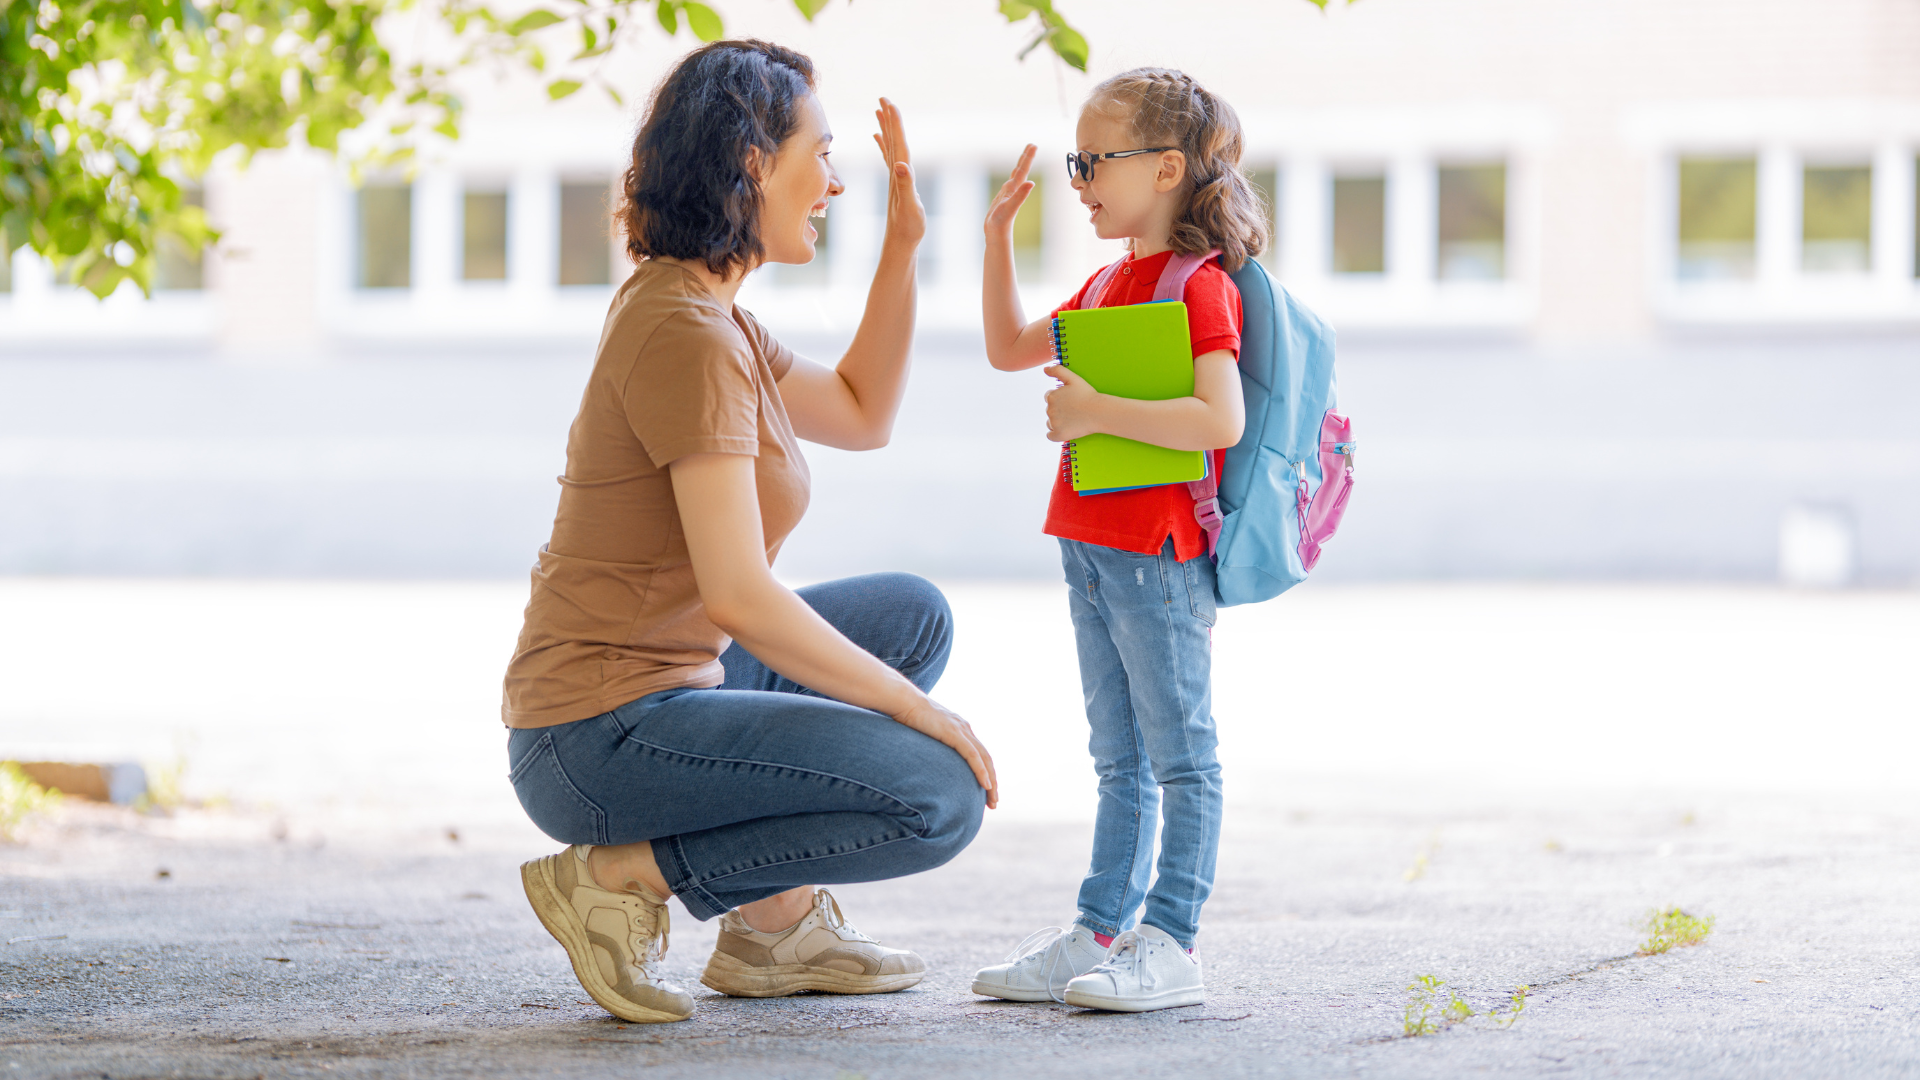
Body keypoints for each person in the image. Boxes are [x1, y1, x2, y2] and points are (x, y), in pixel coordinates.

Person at [501, 40, 998, 1025]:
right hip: (595, 739)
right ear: (753, 161)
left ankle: (774, 932)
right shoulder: (687, 333)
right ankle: (623, 874)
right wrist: (920, 714)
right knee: (935, 797)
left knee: (911, 617)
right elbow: (738, 593)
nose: (836, 181)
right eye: (820, 151)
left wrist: (903, 250)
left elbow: (861, 411)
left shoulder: (711, 314)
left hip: (677, 688)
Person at [970, 67, 1267, 1013]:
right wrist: (993, 241)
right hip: (1091, 543)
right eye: (1077, 161)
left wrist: (1099, 407)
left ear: (1169, 168)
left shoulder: (1199, 286)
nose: (1081, 179)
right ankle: (1100, 931)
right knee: (1117, 756)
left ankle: (1170, 940)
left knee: (1181, 753)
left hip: (1160, 552)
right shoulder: (1105, 281)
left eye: (1095, 161)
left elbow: (1216, 420)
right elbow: (1009, 348)